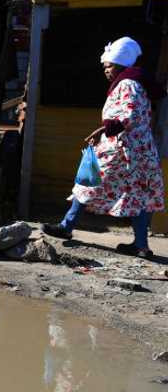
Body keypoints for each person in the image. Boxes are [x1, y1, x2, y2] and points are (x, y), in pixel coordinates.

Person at [44, 37, 166, 258]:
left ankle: (66, 227)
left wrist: (104, 130)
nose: (106, 70)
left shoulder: (127, 83)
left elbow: (130, 114)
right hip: (140, 151)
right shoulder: (134, 82)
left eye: (108, 66)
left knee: (88, 180)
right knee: (138, 194)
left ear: (119, 65)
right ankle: (141, 246)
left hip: (123, 149)